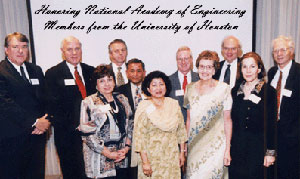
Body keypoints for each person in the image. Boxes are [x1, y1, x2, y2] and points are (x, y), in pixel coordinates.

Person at [0, 32, 50, 178]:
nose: (21, 51)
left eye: (24, 47)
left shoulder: (36, 70)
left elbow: (46, 99)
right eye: (15, 47)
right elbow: (5, 104)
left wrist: (46, 120)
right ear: (6, 49)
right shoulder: (2, 71)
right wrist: (34, 123)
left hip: (37, 138)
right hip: (12, 139)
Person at [45, 36, 95, 179]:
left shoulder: (91, 71)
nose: (74, 53)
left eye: (77, 49)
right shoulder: (53, 74)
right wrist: (76, 125)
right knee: (72, 173)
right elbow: (52, 106)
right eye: (69, 49)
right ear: (62, 51)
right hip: (68, 136)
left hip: (93, 135)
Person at [79, 64, 133, 179]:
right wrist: (108, 153)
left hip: (121, 158)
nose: (107, 84)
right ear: (96, 85)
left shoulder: (122, 99)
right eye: (102, 81)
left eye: (109, 79)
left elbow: (130, 125)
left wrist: (126, 148)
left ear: (114, 81)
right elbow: (87, 134)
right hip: (100, 159)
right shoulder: (89, 102)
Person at [185, 50, 232, 179]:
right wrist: (184, 147)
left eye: (209, 67)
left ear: (214, 70)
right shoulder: (189, 88)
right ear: (197, 68)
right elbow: (188, 120)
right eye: (202, 66)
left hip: (216, 149)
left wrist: (227, 149)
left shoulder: (224, 89)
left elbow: (228, 120)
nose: (205, 70)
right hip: (194, 146)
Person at [229, 52, 275, 179]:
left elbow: (272, 125)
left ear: (259, 69)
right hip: (237, 150)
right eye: (245, 67)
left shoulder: (269, 92)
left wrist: (270, 153)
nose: (248, 71)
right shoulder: (235, 91)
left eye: (252, 67)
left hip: (258, 150)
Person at [133, 71, 187, 178]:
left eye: (161, 84)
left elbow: (181, 131)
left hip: (172, 157)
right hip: (151, 159)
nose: (158, 88)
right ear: (148, 89)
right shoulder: (144, 107)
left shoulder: (173, 104)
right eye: (154, 85)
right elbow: (139, 137)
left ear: (166, 86)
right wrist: (145, 162)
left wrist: (182, 154)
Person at [267, 35, 300, 179]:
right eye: (275, 51)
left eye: (283, 50)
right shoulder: (272, 72)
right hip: (273, 136)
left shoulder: (298, 73)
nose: (279, 54)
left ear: (291, 51)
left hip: (294, 140)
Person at [116, 58, 146, 179]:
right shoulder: (118, 91)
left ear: (144, 72)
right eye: (132, 71)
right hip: (127, 141)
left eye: (139, 71)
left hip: (147, 138)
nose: (135, 74)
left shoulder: (152, 88)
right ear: (127, 73)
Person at [169, 46, 199, 123]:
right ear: (176, 61)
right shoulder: (168, 81)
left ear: (191, 59)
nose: (183, 62)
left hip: (197, 127)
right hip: (176, 128)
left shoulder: (200, 79)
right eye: (180, 59)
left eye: (186, 58)